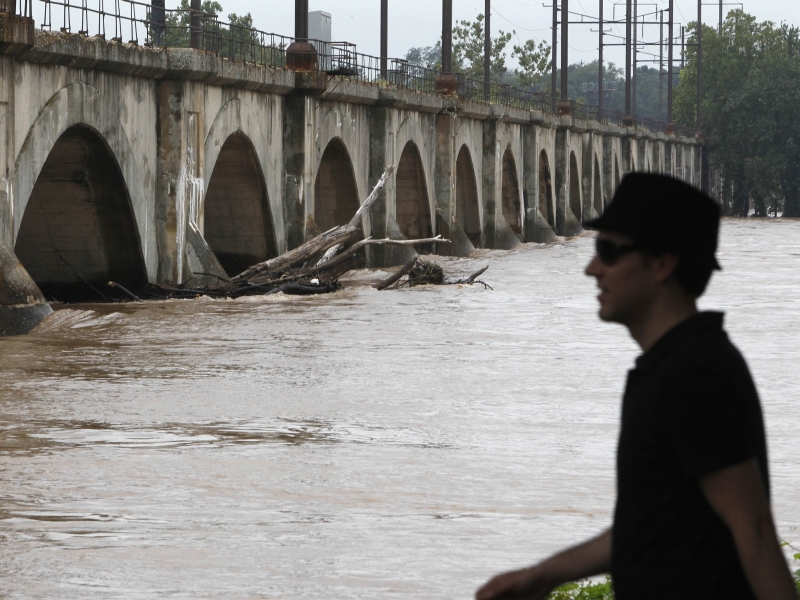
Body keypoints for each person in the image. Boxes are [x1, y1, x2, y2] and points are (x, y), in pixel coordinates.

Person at [476, 173, 797, 600]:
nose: (592, 268)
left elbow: (754, 530)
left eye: (608, 251)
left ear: (662, 263)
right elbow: (648, 527)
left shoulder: (695, 376)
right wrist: (544, 574)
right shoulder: (671, 366)